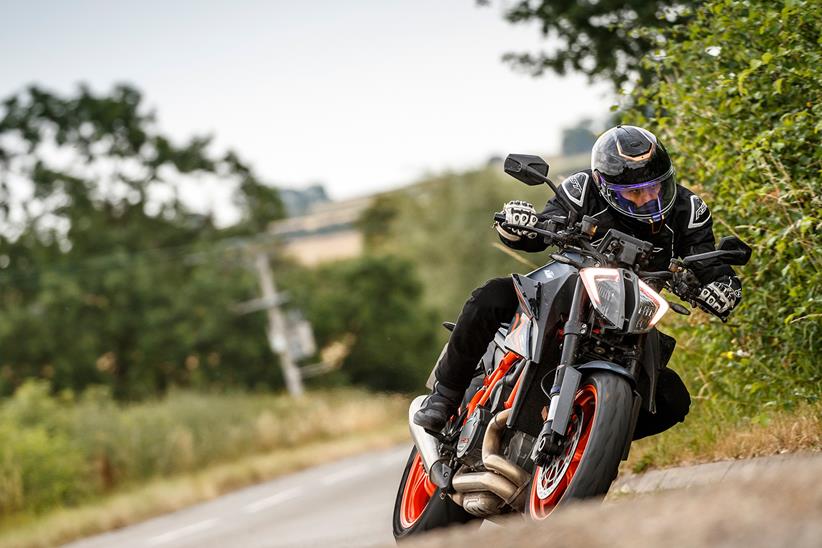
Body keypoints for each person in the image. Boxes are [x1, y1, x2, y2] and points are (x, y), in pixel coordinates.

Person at [413, 125, 742, 435]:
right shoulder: (581, 188)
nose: (647, 199)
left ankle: (584, 442)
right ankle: (445, 396)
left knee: (672, 400)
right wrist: (517, 224)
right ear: (606, 186)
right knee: (491, 296)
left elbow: (708, 262)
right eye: (634, 193)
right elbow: (542, 229)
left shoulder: (688, 209)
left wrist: (724, 286)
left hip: (630, 312)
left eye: (654, 187)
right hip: (571, 287)